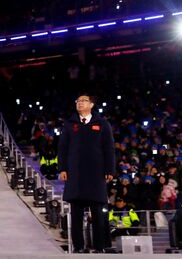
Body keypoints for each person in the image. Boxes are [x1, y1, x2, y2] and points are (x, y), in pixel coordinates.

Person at [58, 93, 115, 253]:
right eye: (78, 101)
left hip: (96, 175)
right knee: (76, 214)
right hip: (75, 174)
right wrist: (62, 168)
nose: (80, 103)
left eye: (84, 101)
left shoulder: (102, 124)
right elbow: (62, 148)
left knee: (98, 214)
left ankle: (99, 247)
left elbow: (109, 148)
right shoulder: (69, 124)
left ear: (91, 105)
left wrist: (110, 169)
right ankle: (78, 247)